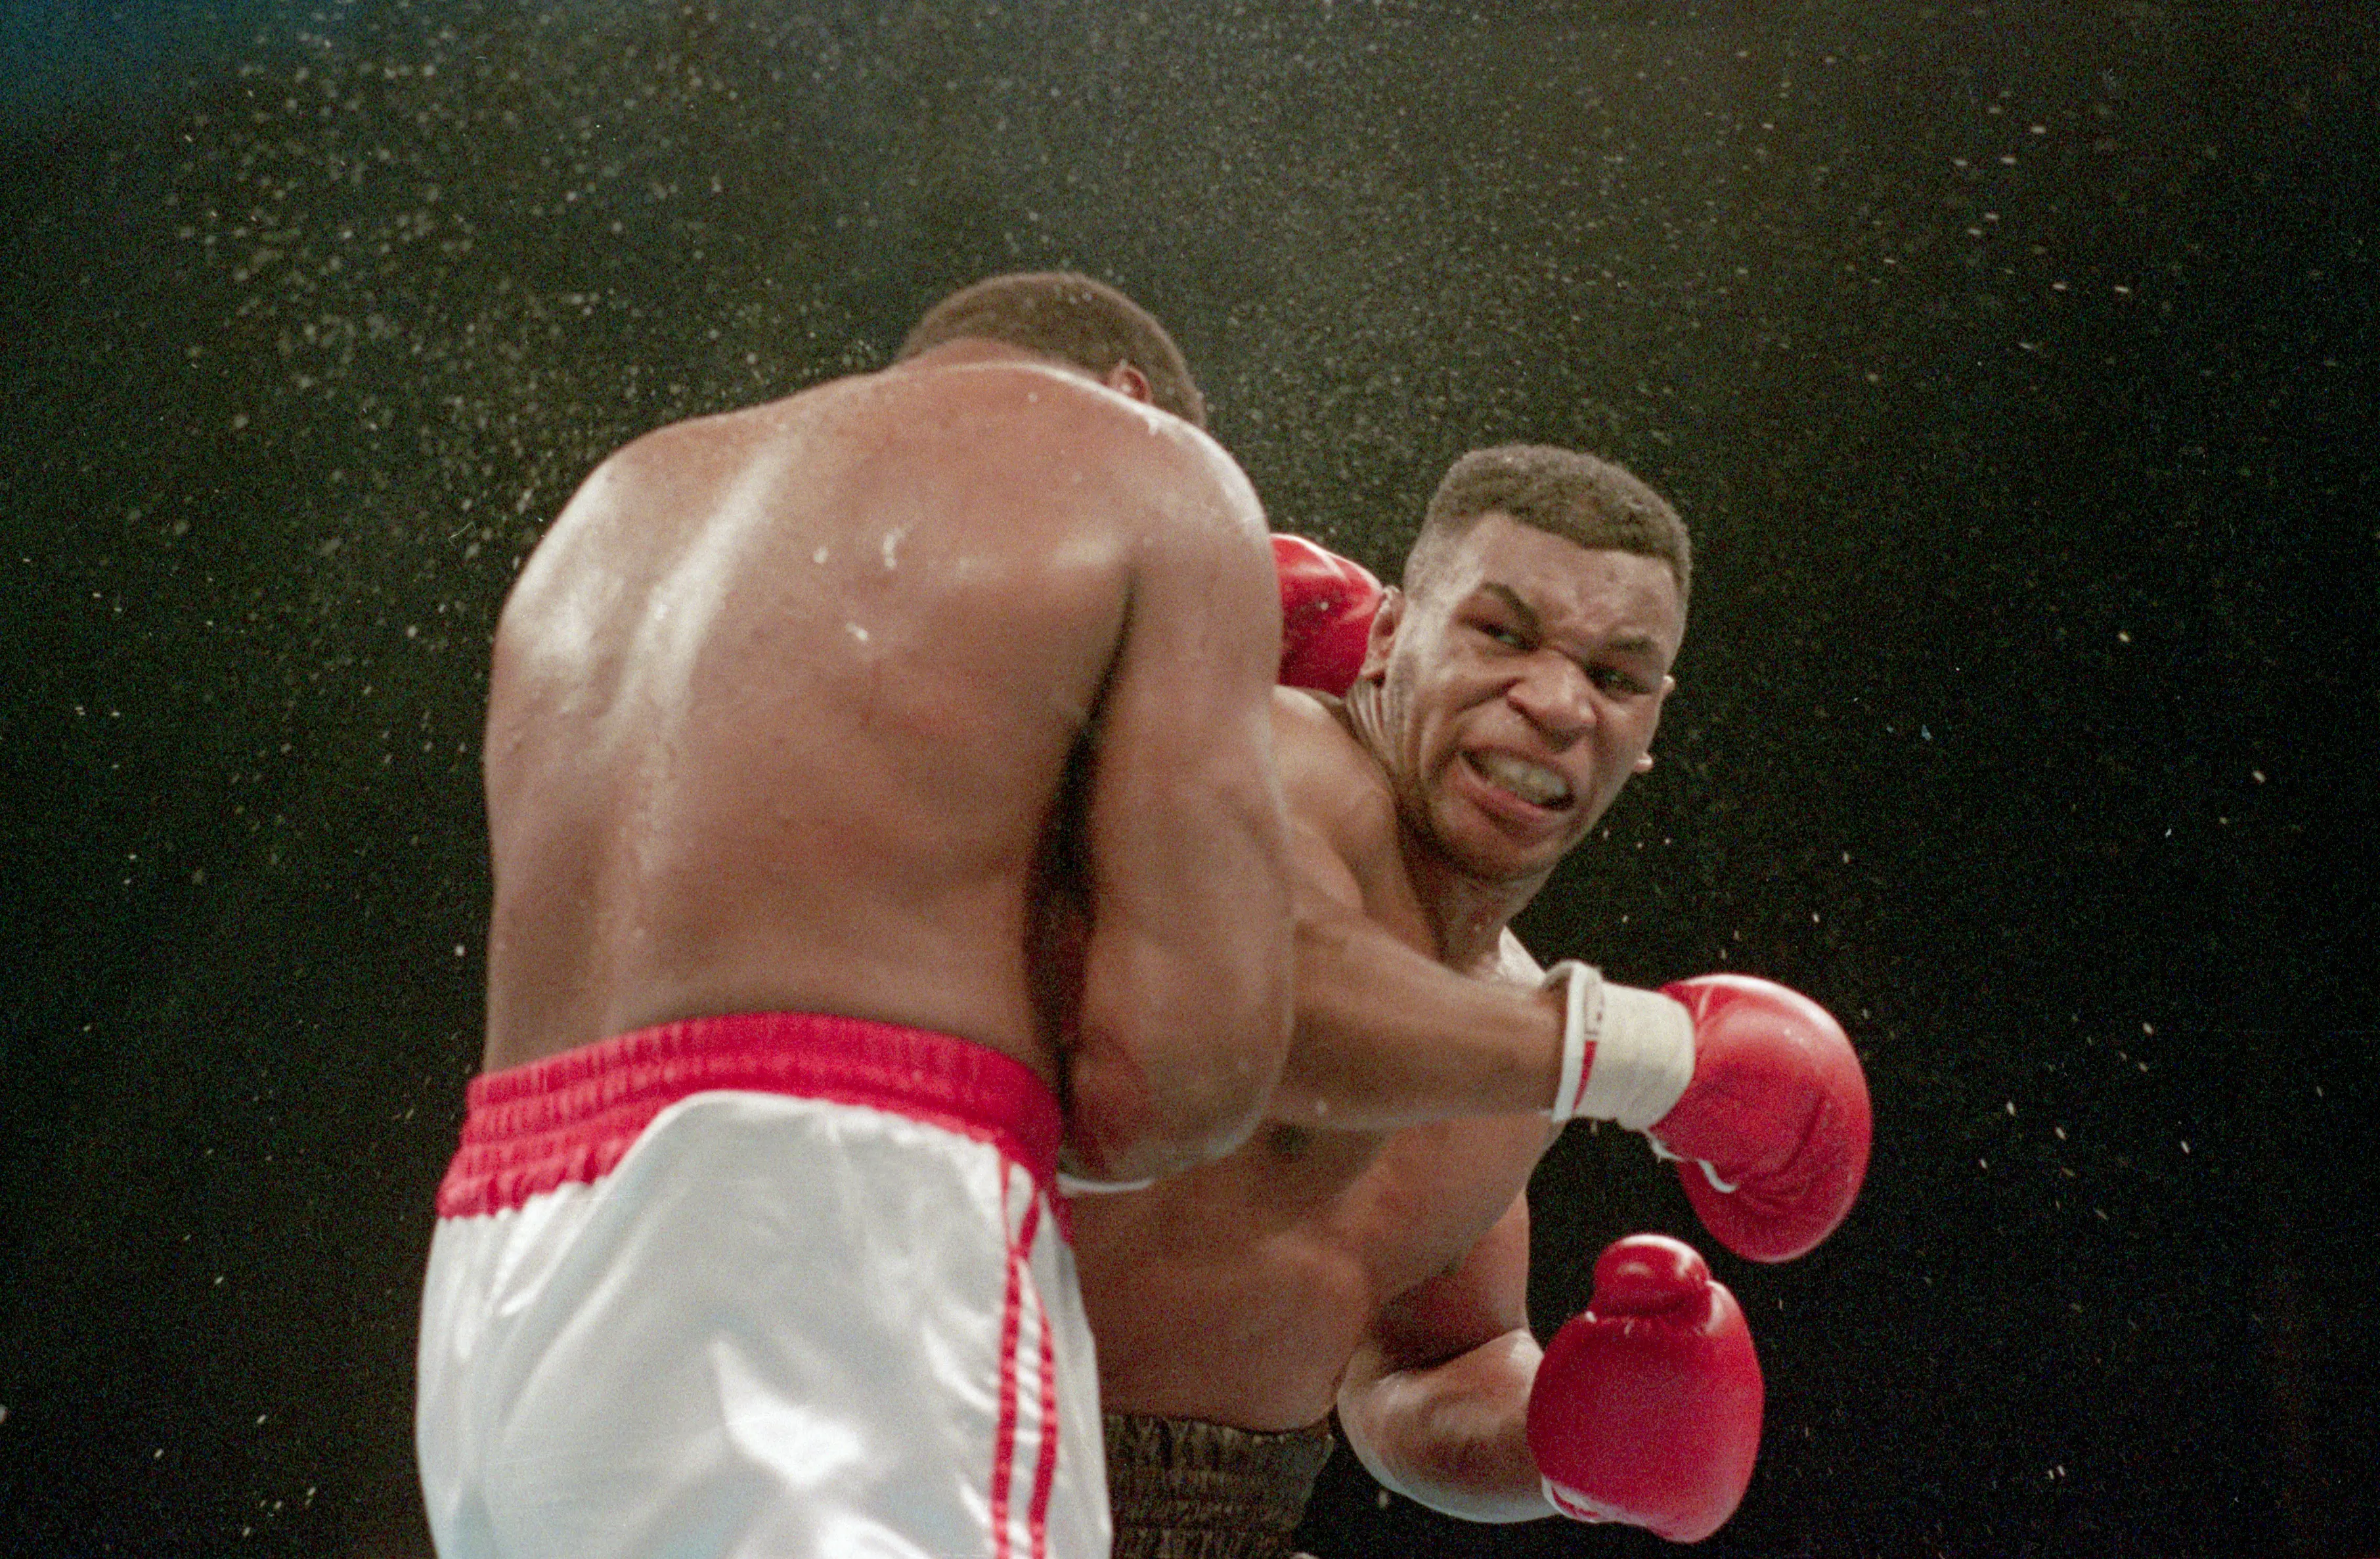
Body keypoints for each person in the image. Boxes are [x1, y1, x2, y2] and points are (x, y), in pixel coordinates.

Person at [416, 272, 1296, 1559]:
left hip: (502, 1266)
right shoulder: (1152, 467)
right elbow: (1180, 1074)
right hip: (831, 1235)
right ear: (1136, 393)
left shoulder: (621, 497)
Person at [1070, 445, 1872, 1553]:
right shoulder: (1259, 758)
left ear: (1651, 725)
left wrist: (1572, 1447)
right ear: (1394, 632)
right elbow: (1266, 1008)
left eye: (1617, 675)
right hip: (913, 1485)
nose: (1556, 703)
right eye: (1502, 633)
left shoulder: (1510, 1035)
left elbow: (1418, 1366)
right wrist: (1648, 1057)